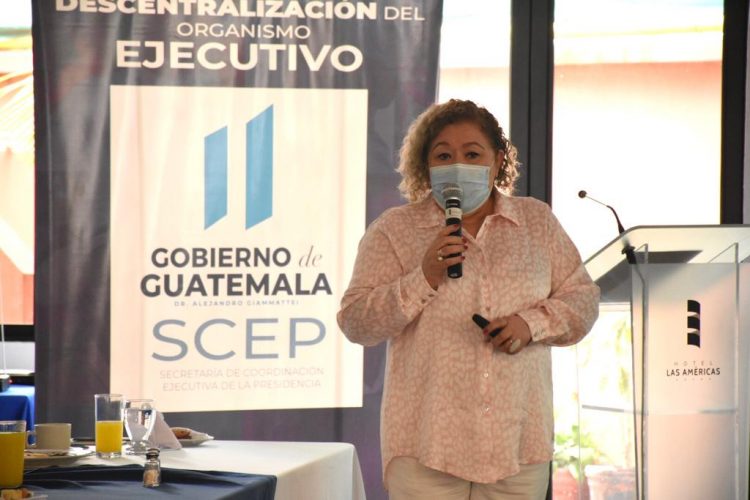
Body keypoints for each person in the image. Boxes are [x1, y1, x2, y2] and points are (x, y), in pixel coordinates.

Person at [337, 98, 600, 499]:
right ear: (426, 165)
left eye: (472, 154)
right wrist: (424, 276)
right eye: (443, 155)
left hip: (517, 445)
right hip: (426, 449)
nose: (458, 164)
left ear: (497, 161)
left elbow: (583, 300)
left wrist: (529, 325)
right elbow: (356, 322)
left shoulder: (536, 221)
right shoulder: (394, 229)